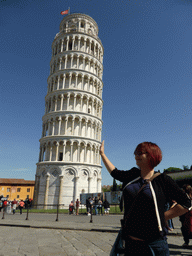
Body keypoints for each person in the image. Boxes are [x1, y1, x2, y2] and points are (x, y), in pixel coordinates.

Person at [100, 140, 192, 256]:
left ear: (151, 156)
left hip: (154, 244)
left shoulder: (163, 180)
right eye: (135, 152)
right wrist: (102, 154)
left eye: (140, 152)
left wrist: (163, 216)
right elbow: (115, 172)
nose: (136, 155)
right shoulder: (132, 175)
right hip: (131, 243)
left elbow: (186, 203)